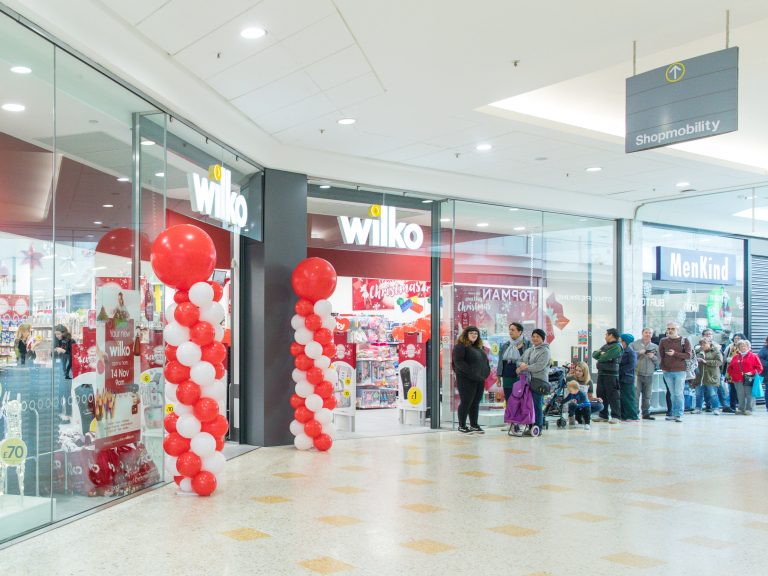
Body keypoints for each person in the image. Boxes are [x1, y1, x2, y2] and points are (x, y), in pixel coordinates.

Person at [452, 325, 491, 434]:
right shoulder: (460, 346)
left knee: (476, 402)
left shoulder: (479, 347)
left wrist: (486, 371)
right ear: (466, 335)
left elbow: (485, 361)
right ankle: (462, 425)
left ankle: (474, 425)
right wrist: (470, 372)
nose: (474, 335)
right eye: (471, 333)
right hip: (466, 379)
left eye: (476, 333)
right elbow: (458, 362)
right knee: (466, 401)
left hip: (479, 378)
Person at [517, 328, 551, 435]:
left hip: (538, 382)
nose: (535, 339)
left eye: (538, 337)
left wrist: (525, 367)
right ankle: (529, 426)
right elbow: (519, 360)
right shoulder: (529, 350)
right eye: (533, 336)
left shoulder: (545, 351)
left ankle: (538, 427)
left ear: (542, 339)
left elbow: (539, 366)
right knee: (528, 405)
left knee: (536, 405)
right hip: (527, 382)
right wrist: (520, 366)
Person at [659, 322, 691, 423]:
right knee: (672, 393)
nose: (670, 331)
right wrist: (663, 368)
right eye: (668, 329)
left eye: (673, 329)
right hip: (667, 371)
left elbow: (688, 355)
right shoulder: (663, 341)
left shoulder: (684, 341)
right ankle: (672, 412)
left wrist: (675, 354)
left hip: (680, 370)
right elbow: (661, 356)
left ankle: (679, 413)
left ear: (678, 330)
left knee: (678, 393)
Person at [496, 322, 532, 402]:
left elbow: (531, 361)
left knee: (522, 401)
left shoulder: (528, 345)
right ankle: (510, 415)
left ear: (520, 332)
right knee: (509, 401)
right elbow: (501, 362)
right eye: (509, 330)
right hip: (507, 377)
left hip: (522, 377)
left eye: (513, 330)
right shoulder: (505, 345)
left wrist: (522, 369)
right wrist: (498, 377)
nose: (510, 332)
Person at [593, 328, 623, 423]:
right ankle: (603, 415)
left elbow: (603, 357)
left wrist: (602, 354)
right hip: (602, 373)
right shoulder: (606, 346)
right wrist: (601, 354)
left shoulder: (617, 347)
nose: (605, 337)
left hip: (611, 375)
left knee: (613, 396)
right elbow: (595, 354)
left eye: (606, 335)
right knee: (601, 395)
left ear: (611, 335)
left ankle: (616, 416)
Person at [726, 339, 762, 416]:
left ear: (748, 347)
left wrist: (751, 373)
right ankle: (741, 409)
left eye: (744, 346)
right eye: (741, 346)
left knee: (749, 395)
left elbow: (759, 368)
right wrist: (733, 375)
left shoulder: (754, 356)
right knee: (740, 394)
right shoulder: (736, 357)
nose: (742, 348)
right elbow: (730, 368)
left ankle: (749, 409)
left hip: (749, 378)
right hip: (737, 379)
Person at [631, 328, 660, 420]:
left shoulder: (655, 347)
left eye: (650, 333)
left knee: (647, 395)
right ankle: (635, 413)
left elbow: (659, 361)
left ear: (652, 335)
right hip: (637, 374)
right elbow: (629, 355)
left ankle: (646, 413)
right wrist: (639, 352)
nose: (648, 334)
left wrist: (653, 357)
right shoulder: (634, 344)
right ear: (642, 333)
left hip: (649, 375)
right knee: (636, 395)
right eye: (646, 332)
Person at [691, 337, 723, 416]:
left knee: (712, 394)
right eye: (701, 344)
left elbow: (719, 362)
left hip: (711, 376)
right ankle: (698, 408)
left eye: (704, 344)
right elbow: (691, 360)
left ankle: (715, 408)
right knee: (698, 394)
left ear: (709, 344)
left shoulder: (715, 351)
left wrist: (706, 362)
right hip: (699, 376)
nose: (702, 345)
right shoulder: (697, 352)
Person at [565, 361, 603, 426]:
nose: (577, 372)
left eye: (580, 371)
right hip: (573, 402)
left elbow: (590, 397)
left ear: (584, 372)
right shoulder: (570, 378)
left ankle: (583, 415)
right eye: (576, 370)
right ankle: (572, 416)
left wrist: (597, 399)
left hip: (583, 402)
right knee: (572, 404)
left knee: (600, 406)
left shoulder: (589, 382)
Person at [54, 324, 74, 421]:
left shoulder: (71, 341)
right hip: (58, 370)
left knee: (66, 393)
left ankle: (67, 415)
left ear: (63, 333)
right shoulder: (57, 342)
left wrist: (63, 351)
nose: (57, 336)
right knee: (58, 393)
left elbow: (74, 355)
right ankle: (58, 414)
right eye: (56, 334)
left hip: (67, 371)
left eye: (58, 334)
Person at [723, 333, 746, 412]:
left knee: (742, 390)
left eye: (739, 338)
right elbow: (724, 358)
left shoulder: (745, 347)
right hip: (731, 371)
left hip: (742, 372)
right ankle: (732, 406)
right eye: (735, 338)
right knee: (732, 389)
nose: (737, 340)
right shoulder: (730, 347)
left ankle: (742, 406)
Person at [618, 334, 638, 421]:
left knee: (628, 398)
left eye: (620, 340)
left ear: (624, 342)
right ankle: (623, 415)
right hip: (620, 378)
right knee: (621, 398)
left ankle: (632, 416)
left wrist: (618, 370)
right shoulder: (620, 351)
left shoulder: (631, 352)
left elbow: (631, 365)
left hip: (627, 379)